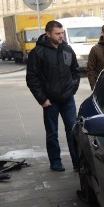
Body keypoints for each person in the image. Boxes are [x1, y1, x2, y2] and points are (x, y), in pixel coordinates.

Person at [26, 20, 80, 172]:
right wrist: (42, 99)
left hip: (68, 99)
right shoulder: (38, 52)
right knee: (52, 133)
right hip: (50, 101)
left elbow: (75, 71)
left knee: (73, 131)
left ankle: (77, 161)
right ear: (48, 33)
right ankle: (55, 161)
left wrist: (72, 89)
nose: (60, 36)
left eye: (62, 33)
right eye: (57, 33)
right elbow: (32, 78)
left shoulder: (67, 49)